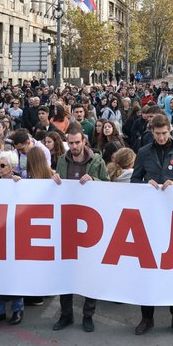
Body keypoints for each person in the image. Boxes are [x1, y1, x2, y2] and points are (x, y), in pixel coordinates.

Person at [131, 114, 173, 336]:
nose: (160, 137)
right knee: (147, 269)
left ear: (170, 130)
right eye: (157, 134)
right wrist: (143, 184)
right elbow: (134, 181)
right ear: (152, 132)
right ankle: (146, 318)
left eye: (164, 133)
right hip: (149, 219)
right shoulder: (143, 152)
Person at [51, 125, 108, 332]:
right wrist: (54, 180)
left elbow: (109, 186)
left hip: (90, 224)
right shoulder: (61, 161)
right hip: (67, 222)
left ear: (84, 141)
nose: (74, 146)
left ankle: (88, 315)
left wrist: (95, 180)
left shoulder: (97, 161)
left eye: (77, 142)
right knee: (65, 271)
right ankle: (66, 314)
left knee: (89, 271)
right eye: (71, 143)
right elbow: (54, 187)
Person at [0, 150, 26, 326]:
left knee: (14, 274)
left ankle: (18, 309)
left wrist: (21, 185)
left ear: (12, 168)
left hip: (14, 235)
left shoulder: (20, 184)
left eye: (2, 166)